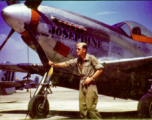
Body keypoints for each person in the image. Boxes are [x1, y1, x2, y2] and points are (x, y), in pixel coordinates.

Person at [48, 42, 103, 119]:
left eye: (78, 49)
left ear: (84, 50)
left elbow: (100, 70)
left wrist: (91, 78)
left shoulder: (91, 58)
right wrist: (55, 64)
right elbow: (66, 63)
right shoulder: (78, 60)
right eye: (77, 49)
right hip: (82, 84)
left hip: (90, 84)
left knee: (91, 108)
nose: (76, 50)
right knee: (82, 109)